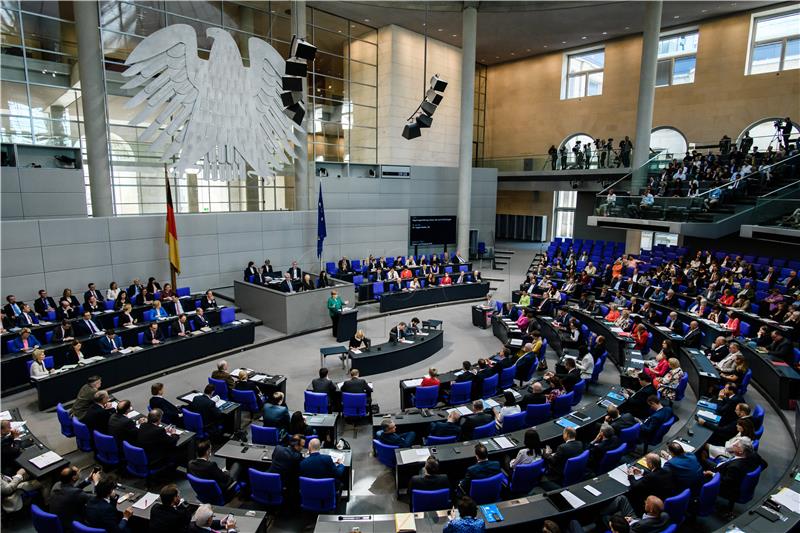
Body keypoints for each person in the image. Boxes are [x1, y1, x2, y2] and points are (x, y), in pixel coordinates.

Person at [269, 434, 305, 499]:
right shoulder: (297, 456)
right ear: (296, 445)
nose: (303, 448)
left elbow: (273, 458)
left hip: (268, 479)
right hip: (282, 485)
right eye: (302, 446)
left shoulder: (278, 448)